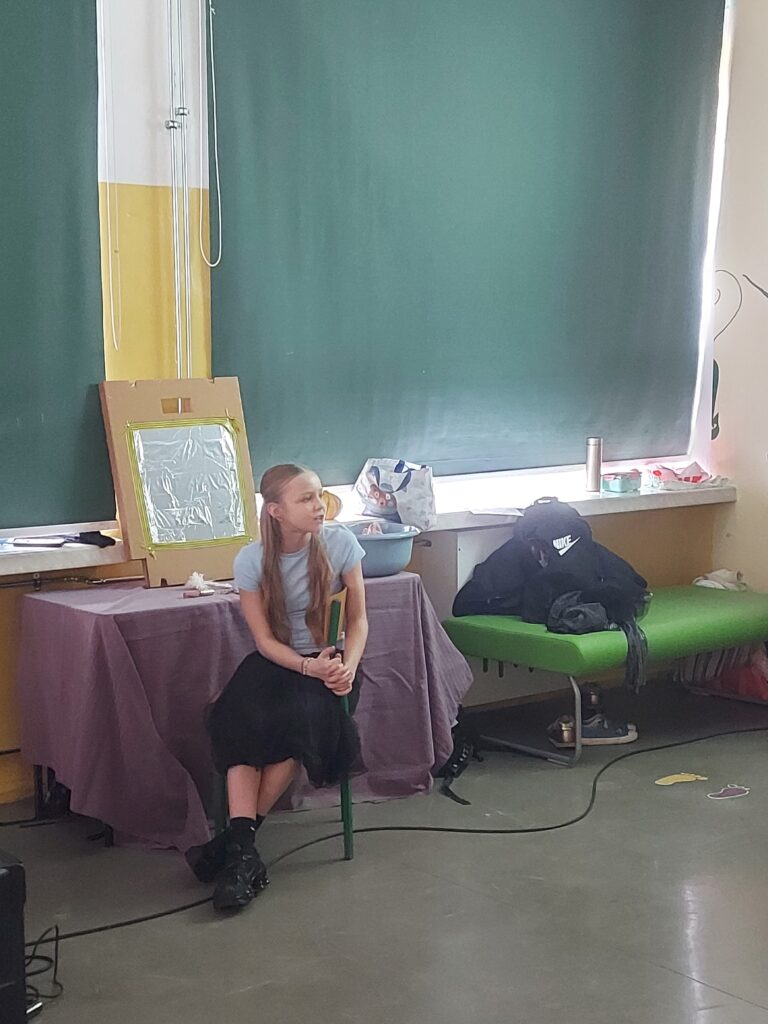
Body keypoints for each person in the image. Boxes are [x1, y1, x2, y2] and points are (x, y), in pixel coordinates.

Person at [186, 463, 368, 911]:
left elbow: (359, 620)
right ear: (276, 511)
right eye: (306, 499)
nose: (319, 506)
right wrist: (306, 667)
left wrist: (345, 667)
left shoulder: (341, 543)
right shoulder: (251, 560)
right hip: (282, 662)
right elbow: (264, 642)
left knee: (297, 725)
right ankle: (243, 853)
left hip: (331, 663)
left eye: (319, 495)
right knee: (240, 723)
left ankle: (234, 849)